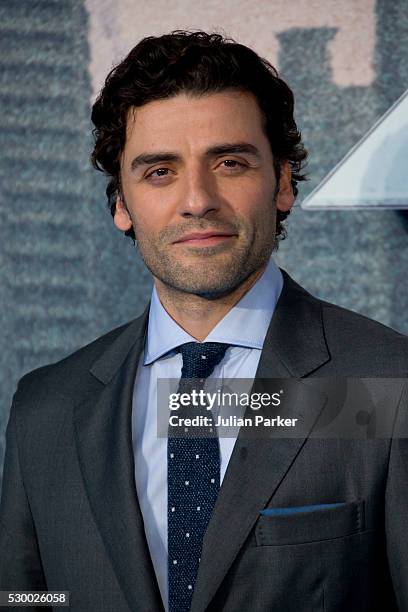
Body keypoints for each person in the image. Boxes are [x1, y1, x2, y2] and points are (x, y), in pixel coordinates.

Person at [1, 30, 408, 612]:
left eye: (230, 162)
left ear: (283, 183)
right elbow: (25, 599)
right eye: (160, 171)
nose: (198, 199)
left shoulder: (389, 385)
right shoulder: (47, 409)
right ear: (121, 204)